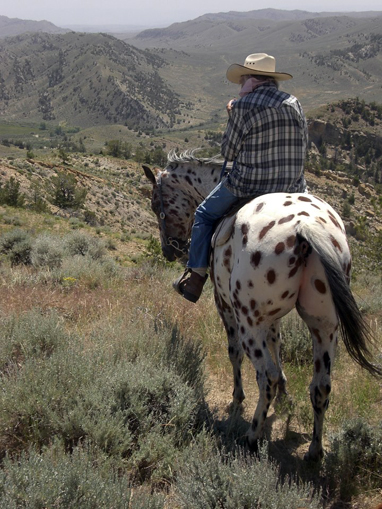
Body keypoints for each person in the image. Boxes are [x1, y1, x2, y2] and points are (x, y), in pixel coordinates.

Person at [173, 53, 308, 303]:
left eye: (241, 80)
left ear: (249, 78)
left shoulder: (243, 105)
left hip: (248, 185)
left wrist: (233, 115)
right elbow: (304, 144)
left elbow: (229, 152)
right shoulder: (293, 102)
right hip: (294, 187)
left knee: (203, 214)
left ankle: (195, 277)